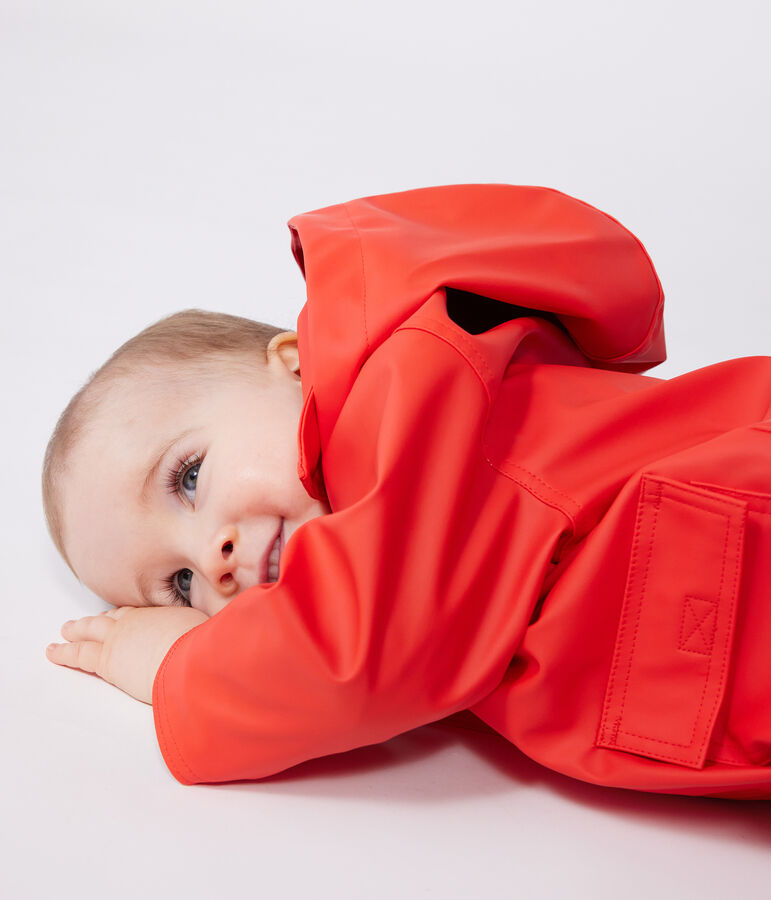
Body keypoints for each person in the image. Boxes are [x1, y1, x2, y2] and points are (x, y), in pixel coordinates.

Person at [43, 184, 771, 799]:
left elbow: (354, 660)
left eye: (189, 477)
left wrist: (173, 668)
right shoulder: (399, 548)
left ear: (294, 364)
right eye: (177, 585)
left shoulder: (414, 396)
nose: (214, 557)